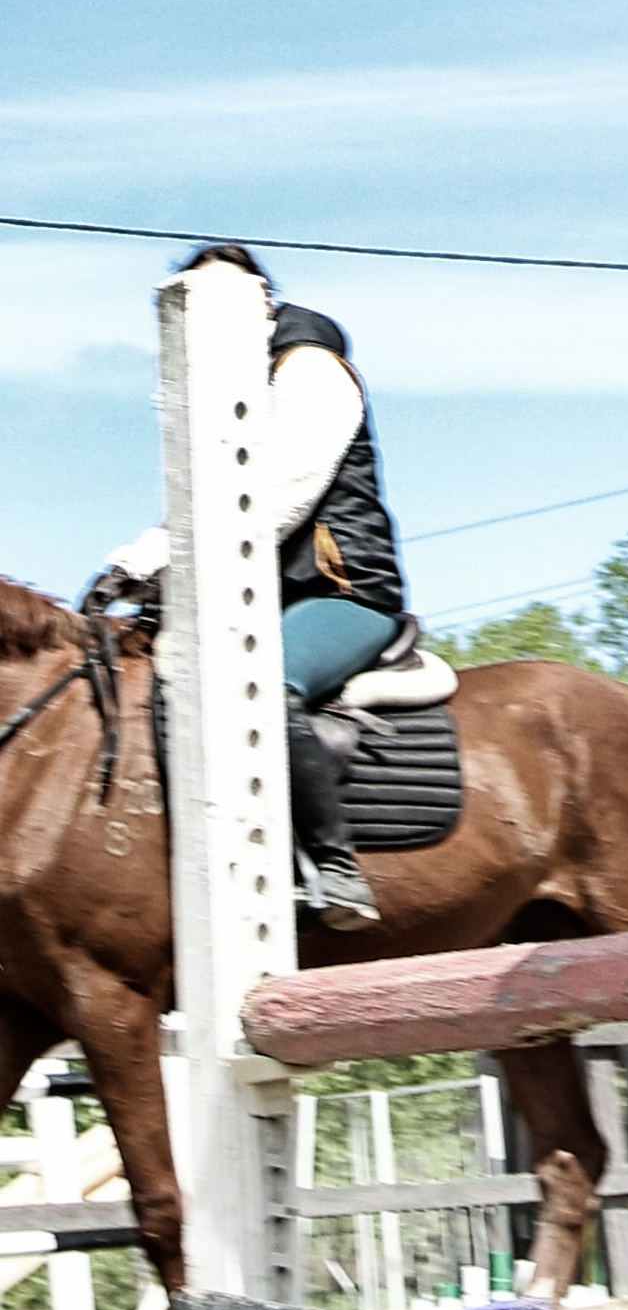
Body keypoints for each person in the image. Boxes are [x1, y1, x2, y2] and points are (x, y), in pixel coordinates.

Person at [103, 245, 403, 927]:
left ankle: (335, 866)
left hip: (343, 592)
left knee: (262, 682)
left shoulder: (311, 371)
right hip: (256, 593)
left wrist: (163, 559)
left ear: (264, 303)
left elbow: (276, 498)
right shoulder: (223, 393)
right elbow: (195, 508)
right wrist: (133, 568)